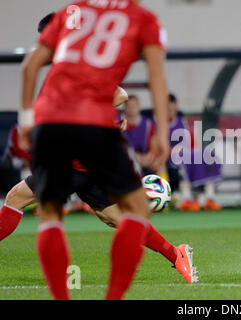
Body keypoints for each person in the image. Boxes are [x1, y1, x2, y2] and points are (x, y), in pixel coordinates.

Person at [19, 1, 171, 300]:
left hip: (51, 120)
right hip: (94, 124)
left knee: (49, 213)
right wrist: (162, 132)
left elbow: (29, 66)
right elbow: (156, 78)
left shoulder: (72, 13)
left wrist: (26, 120)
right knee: (137, 210)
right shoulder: (143, 18)